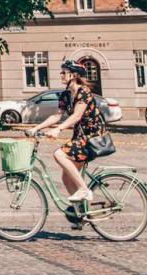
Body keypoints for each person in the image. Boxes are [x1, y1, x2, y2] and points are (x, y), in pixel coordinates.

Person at [29, 60, 109, 214]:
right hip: (80, 136)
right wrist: (36, 128)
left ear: (74, 75)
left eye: (64, 72)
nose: (61, 74)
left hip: (92, 137)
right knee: (66, 177)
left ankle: (84, 190)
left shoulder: (83, 91)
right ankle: (81, 213)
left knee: (59, 154)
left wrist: (58, 130)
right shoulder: (66, 94)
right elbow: (57, 115)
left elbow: (77, 115)